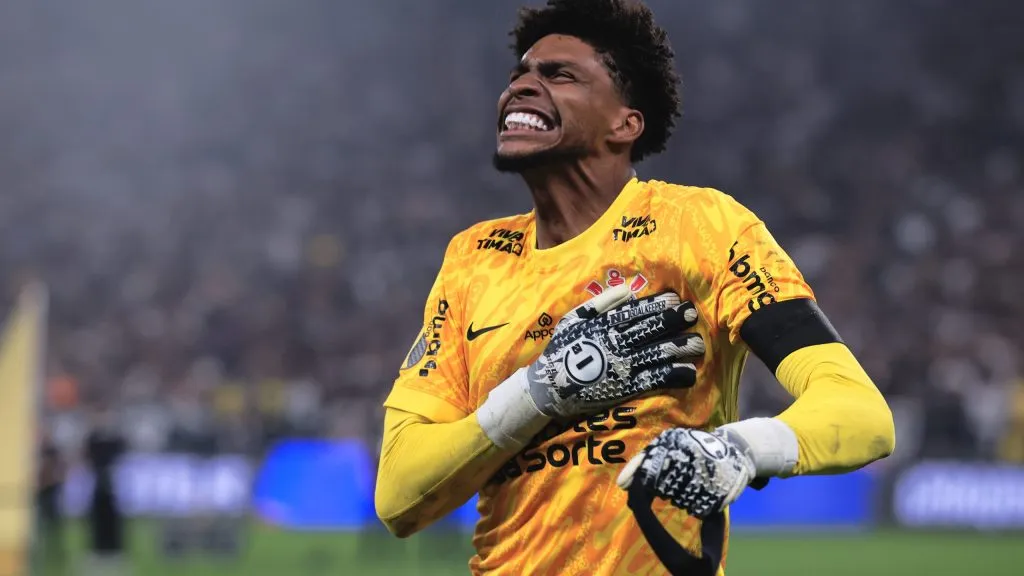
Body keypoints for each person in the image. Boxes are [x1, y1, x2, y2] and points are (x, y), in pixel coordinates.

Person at [375, 1, 896, 574]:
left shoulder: (700, 227)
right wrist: (539, 393)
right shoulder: (473, 258)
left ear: (625, 123)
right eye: (519, 74)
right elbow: (399, 494)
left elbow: (862, 413)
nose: (521, 86)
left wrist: (738, 450)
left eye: (559, 74)